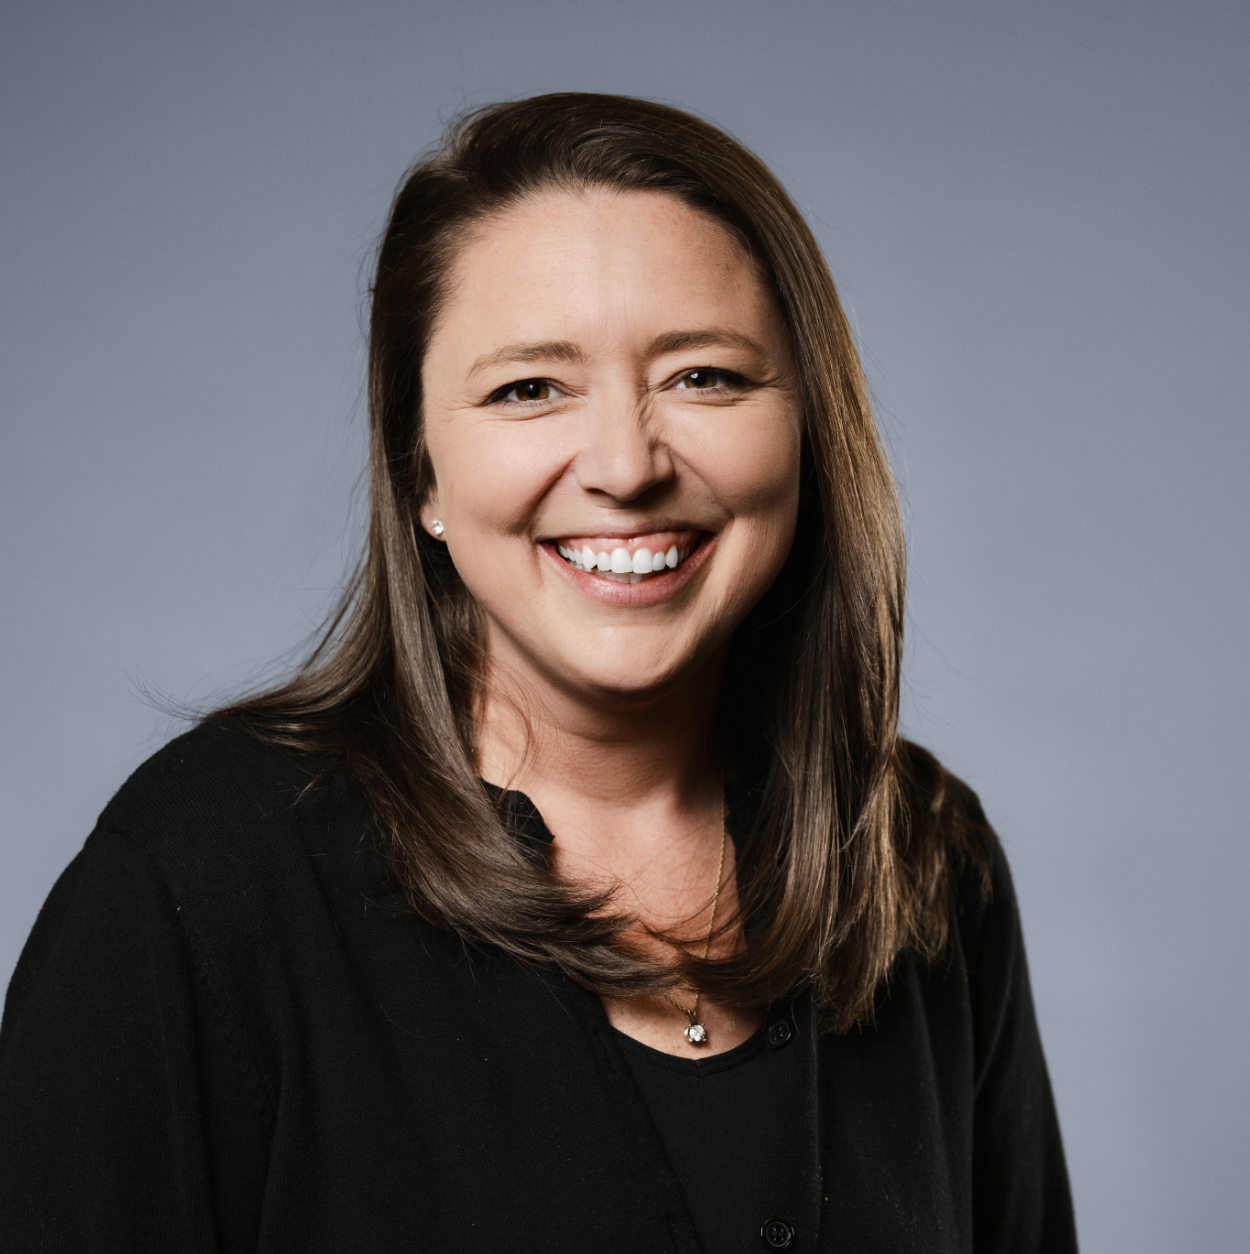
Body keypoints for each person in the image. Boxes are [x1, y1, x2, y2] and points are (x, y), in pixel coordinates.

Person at [0, 93, 1076, 1252]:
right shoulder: (196, 884)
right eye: (529, 387)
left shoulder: (922, 860)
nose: (623, 464)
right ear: (419, 474)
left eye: (704, 376)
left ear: (808, 429)